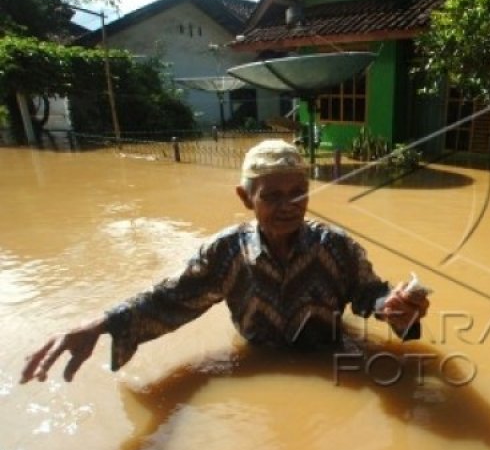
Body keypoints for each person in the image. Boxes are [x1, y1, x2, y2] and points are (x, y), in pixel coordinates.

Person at [20, 139, 430, 383]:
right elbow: (171, 299)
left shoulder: (335, 245)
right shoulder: (225, 252)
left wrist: (396, 309)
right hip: (258, 358)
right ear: (245, 197)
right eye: (271, 196)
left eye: (299, 193)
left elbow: (369, 293)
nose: (289, 206)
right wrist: (103, 322)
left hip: (327, 359)